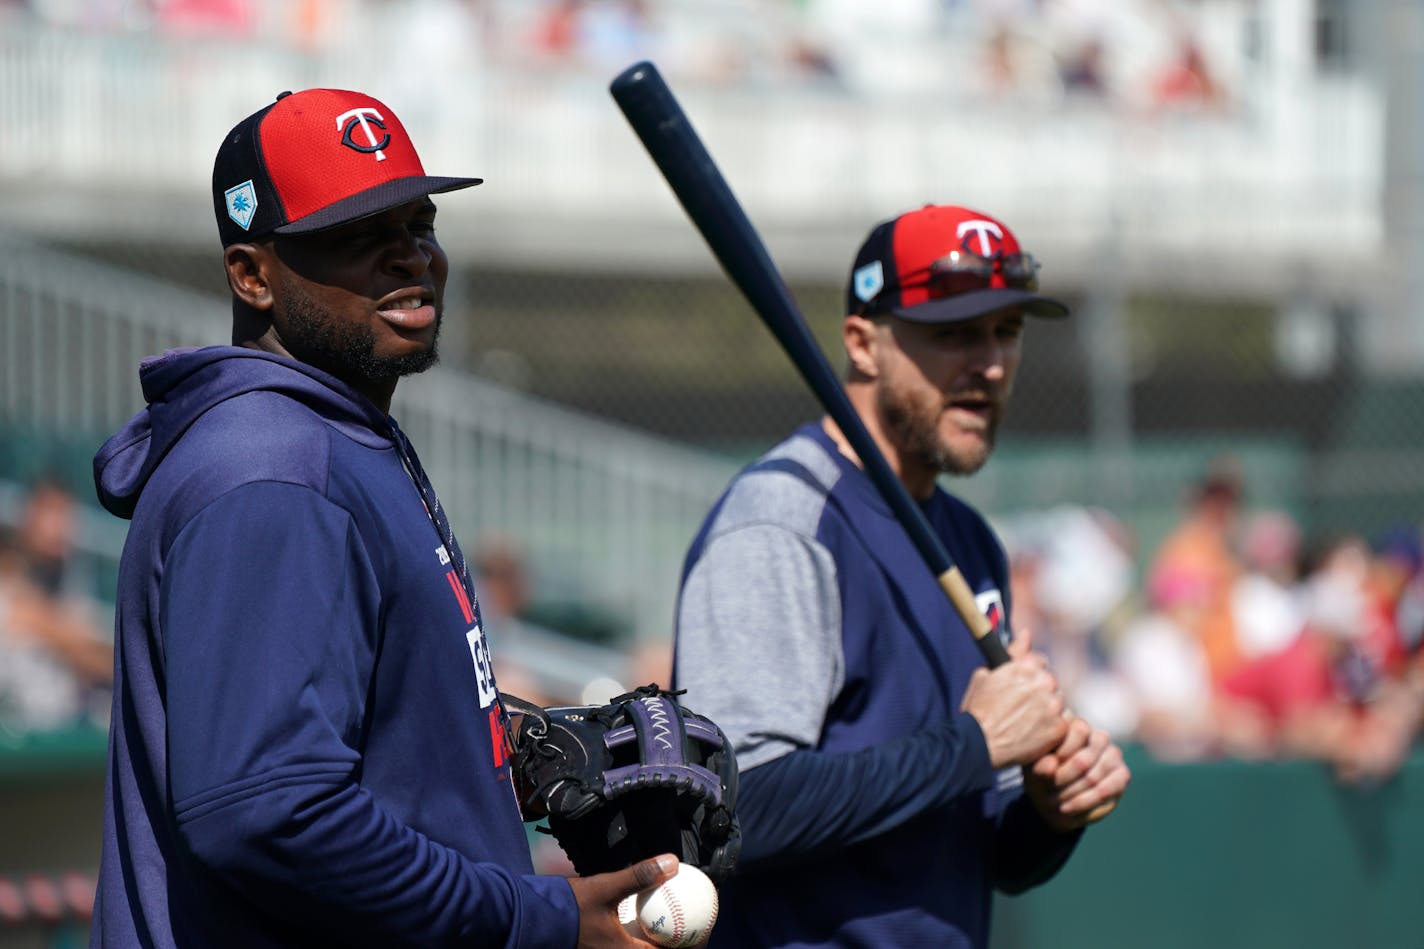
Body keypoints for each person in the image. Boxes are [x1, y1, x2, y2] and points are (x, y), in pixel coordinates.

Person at [89, 87, 678, 947]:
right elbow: (268, 811)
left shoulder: (334, 432)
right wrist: (538, 918)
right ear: (253, 274)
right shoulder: (273, 470)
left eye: (418, 225)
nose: (408, 259)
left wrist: (500, 739)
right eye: (358, 237)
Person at [672, 204, 1131, 948]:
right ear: (863, 342)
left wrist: (1047, 812)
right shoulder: (783, 519)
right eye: (954, 333)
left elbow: (973, 852)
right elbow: (732, 808)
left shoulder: (971, 539)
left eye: (1006, 331)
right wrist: (974, 745)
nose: (989, 363)